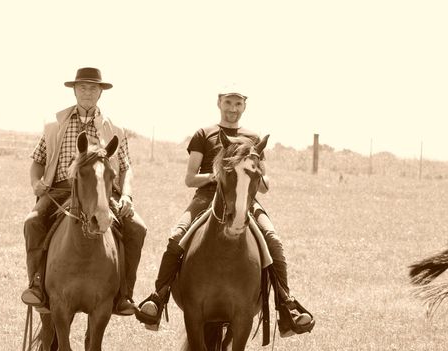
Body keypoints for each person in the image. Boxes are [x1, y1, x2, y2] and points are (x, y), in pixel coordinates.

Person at [135, 87, 315, 337]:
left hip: (246, 200)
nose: (233, 108)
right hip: (207, 198)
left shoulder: (254, 138)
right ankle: (158, 297)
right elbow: (189, 179)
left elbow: (263, 185)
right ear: (219, 103)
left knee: (273, 240)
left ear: (244, 107)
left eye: (238, 103)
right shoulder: (203, 134)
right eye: (228, 102)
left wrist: (259, 177)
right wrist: (217, 175)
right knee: (176, 236)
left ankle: (286, 306)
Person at [21, 67, 147, 316]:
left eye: (93, 88)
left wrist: (126, 196)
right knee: (32, 222)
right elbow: (38, 160)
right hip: (60, 190)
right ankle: (37, 284)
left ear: (100, 92)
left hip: (101, 190)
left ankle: (124, 294)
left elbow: (125, 168)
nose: (87, 92)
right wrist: (36, 182)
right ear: (75, 91)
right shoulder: (54, 126)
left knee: (138, 228)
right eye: (82, 87)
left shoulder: (115, 130)